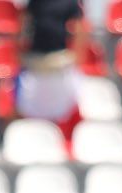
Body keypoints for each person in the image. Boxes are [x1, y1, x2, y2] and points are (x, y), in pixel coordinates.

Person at [18, 0, 87, 142]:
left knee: (62, 109)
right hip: (35, 60)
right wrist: (18, 50)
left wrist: (77, 56)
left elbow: (80, 28)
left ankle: (60, 141)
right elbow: (24, 22)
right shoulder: (35, 3)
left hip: (59, 60)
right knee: (27, 106)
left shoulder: (70, 3)